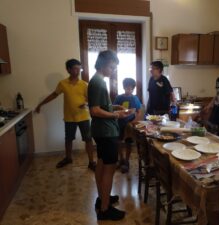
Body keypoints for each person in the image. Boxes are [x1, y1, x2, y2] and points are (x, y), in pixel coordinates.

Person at [88, 50, 132, 221]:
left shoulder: (96, 80)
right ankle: (105, 209)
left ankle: (102, 198)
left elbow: (102, 106)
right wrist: (116, 115)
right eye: (112, 67)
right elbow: (95, 110)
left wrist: (115, 107)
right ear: (104, 65)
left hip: (101, 131)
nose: (113, 71)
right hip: (106, 132)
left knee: (101, 163)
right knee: (109, 169)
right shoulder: (98, 83)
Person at [35, 59, 96, 170]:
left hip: (83, 117)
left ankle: (91, 162)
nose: (78, 71)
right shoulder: (62, 83)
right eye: (75, 69)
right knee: (68, 139)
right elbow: (54, 95)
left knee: (88, 139)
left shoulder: (84, 84)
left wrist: (86, 103)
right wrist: (40, 104)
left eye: (79, 69)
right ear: (68, 70)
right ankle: (68, 158)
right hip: (69, 118)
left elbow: (90, 99)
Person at [113, 78, 142, 173]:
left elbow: (139, 112)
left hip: (130, 124)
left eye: (130, 88)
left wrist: (135, 121)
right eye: (127, 87)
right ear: (124, 87)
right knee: (119, 142)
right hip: (119, 123)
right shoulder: (119, 98)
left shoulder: (135, 98)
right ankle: (120, 159)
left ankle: (126, 161)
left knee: (128, 142)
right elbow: (114, 110)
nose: (128, 89)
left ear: (133, 88)